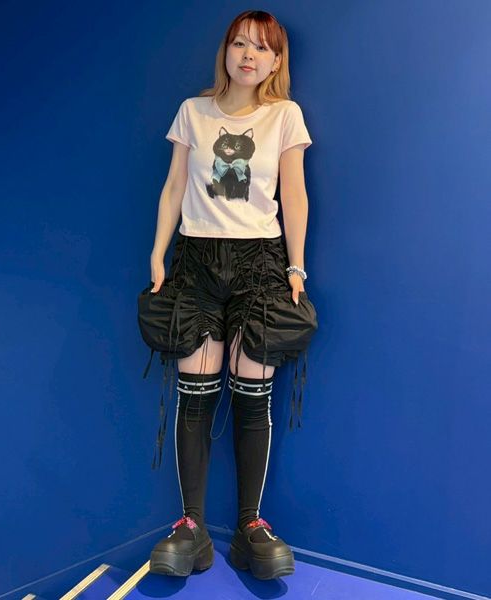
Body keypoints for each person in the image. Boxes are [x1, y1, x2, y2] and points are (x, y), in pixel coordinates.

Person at [137, 9, 318, 580]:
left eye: (261, 48)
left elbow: (295, 194)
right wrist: (157, 253)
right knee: (195, 392)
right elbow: (174, 185)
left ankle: (249, 528)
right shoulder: (193, 112)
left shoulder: (285, 115)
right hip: (195, 261)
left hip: (260, 263)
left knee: (252, 393)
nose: (248, 55)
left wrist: (296, 267)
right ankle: (191, 528)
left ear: (276, 60)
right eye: (240, 43)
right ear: (226, 51)